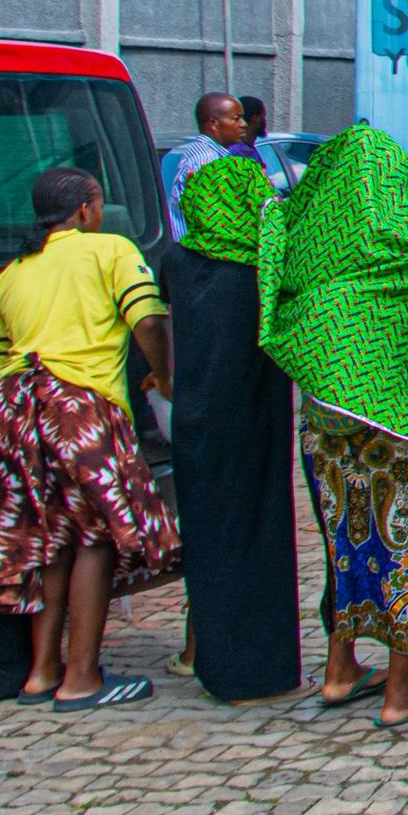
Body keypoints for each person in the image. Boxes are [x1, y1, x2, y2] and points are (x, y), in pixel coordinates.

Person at [261, 124, 408, 728]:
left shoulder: (309, 274)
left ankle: (339, 669)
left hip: (325, 431)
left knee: (343, 545)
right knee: (405, 545)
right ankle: (400, 692)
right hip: (403, 427)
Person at [0, 168, 177, 709]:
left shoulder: (9, 276)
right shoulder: (110, 250)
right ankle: (81, 678)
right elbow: (149, 321)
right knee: (95, 537)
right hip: (79, 405)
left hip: (13, 411)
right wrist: (165, 378)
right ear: (84, 210)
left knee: (51, 538)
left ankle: (42, 673)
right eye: (98, 204)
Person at [165, 156, 299, 702]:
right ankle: (260, 672)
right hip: (253, 417)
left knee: (205, 534)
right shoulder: (264, 266)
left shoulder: (175, 260)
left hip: (194, 416)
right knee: (258, 533)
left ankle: (205, 656)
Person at [165, 92, 247, 242]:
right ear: (214, 123)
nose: (243, 124)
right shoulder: (205, 161)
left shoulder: (213, 156)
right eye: (236, 118)